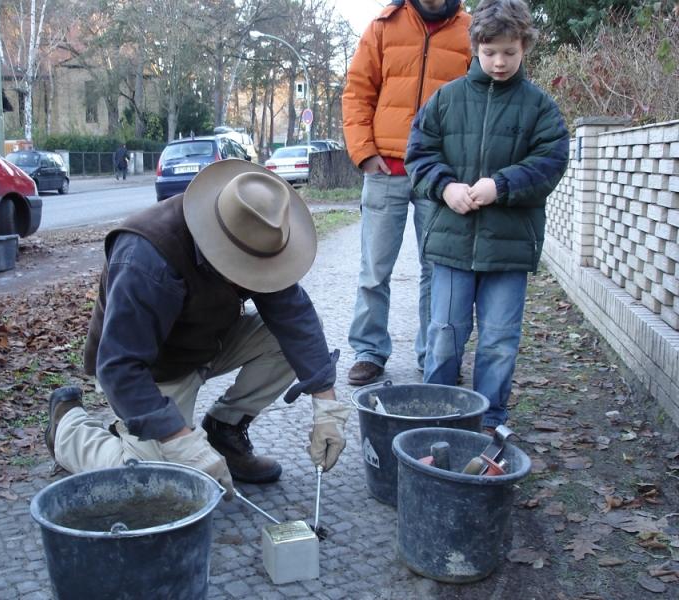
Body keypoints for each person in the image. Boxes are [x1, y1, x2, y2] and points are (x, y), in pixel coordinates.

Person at [44, 160, 350, 498]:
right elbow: (119, 367)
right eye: (245, 269)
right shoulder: (146, 260)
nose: (257, 280)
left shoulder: (257, 233)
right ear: (218, 244)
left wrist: (327, 406)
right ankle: (68, 428)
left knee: (288, 340)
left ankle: (223, 430)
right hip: (149, 369)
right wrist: (181, 443)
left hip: (208, 343)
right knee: (158, 484)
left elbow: (295, 318)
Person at [405, 0, 570, 431]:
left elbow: (551, 160)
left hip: (509, 249)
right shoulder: (445, 100)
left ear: (524, 48)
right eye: (490, 51)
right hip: (452, 244)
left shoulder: (539, 107)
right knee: (444, 335)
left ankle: (491, 418)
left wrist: (503, 184)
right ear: (475, 46)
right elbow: (419, 155)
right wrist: (446, 187)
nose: (499, 62)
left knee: (498, 341)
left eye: (509, 53)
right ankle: (437, 414)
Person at [342, 0, 472, 386]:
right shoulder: (383, 25)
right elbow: (357, 93)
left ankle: (434, 354)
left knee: (438, 270)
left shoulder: (470, 29)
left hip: (440, 174)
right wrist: (364, 153)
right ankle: (369, 350)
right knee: (374, 269)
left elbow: (479, 99)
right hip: (387, 169)